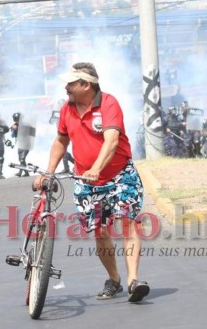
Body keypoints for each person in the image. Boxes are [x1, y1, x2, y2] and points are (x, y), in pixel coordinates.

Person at [33, 62, 149, 303]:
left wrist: (97, 168)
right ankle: (115, 279)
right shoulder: (67, 109)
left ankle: (133, 281)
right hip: (86, 182)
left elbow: (112, 140)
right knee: (100, 232)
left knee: (128, 224)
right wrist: (49, 172)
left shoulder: (108, 103)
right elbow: (60, 141)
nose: (66, 88)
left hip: (120, 175)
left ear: (86, 84)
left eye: (71, 83)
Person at [10, 112, 30, 177]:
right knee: (21, 159)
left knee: (22, 159)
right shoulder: (15, 125)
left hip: (26, 143)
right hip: (20, 144)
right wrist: (13, 129)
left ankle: (20, 172)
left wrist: (18, 128)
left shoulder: (26, 125)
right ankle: (26, 173)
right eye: (16, 119)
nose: (17, 121)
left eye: (18, 119)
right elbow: (13, 136)